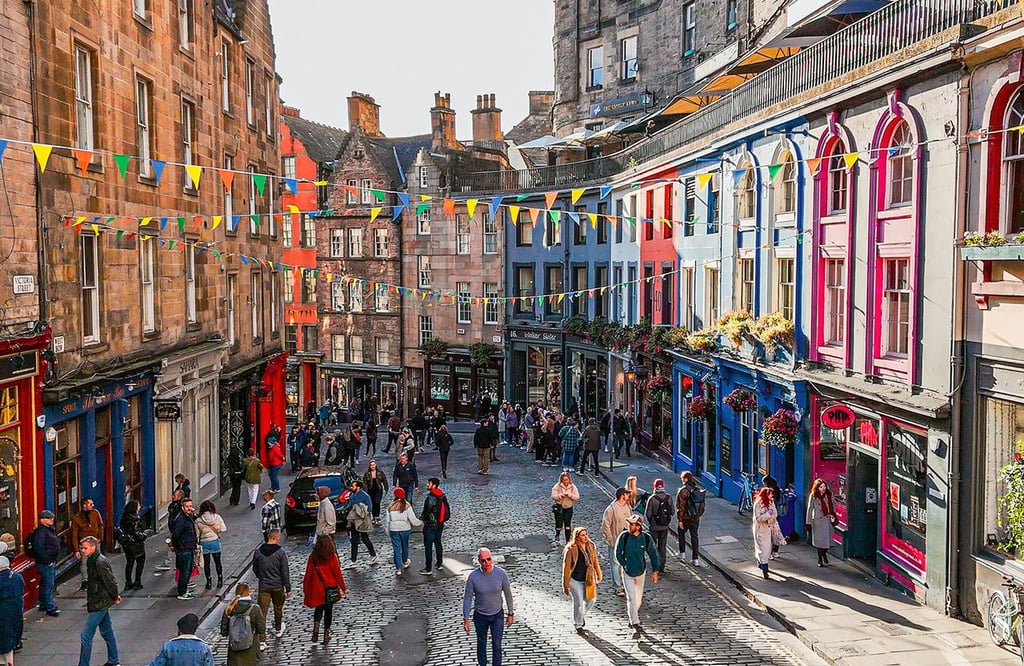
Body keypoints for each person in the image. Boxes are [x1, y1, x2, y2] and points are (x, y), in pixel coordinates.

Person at [462, 548, 514, 666]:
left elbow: (508, 594)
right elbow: (468, 597)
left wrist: (510, 613)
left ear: (492, 558)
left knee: (497, 644)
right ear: (479, 561)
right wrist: (466, 618)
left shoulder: (501, 574)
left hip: (497, 615)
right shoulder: (473, 577)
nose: (487, 563)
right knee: (481, 642)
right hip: (480, 616)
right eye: (483, 560)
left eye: (489, 559)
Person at [78, 536, 121, 666]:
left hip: (100, 601)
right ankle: (114, 660)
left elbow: (110, 580)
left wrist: (115, 596)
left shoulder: (99, 562)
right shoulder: (93, 559)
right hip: (100, 599)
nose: (83, 551)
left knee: (86, 635)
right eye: (82, 548)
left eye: (85, 548)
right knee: (107, 632)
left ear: (93, 546)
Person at [615, 514, 660, 638]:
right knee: (631, 597)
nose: (629, 526)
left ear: (638, 526)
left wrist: (655, 571)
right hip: (627, 572)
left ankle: (632, 616)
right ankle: (635, 622)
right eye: (629, 523)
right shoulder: (623, 537)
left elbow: (653, 554)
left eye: (632, 524)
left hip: (641, 572)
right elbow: (617, 553)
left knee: (638, 599)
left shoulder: (646, 538)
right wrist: (624, 565)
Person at [302, 535, 347, 646]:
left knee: (318, 608)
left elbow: (308, 574)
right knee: (328, 610)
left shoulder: (313, 557)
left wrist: (306, 588)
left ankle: (316, 626)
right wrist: (343, 587)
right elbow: (337, 574)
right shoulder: (332, 556)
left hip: (317, 588)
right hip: (329, 588)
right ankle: (327, 632)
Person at [562, 526, 602, 634]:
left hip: (588, 578)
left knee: (591, 600)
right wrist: (565, 584)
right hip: (575, 579)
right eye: (583, 535)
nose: (585, 537)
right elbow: (566, 567)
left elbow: (595, 561)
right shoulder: (571, 549)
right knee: (578, 602)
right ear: (577, 537)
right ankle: (578, 625)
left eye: (586, 534)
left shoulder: (591, 545)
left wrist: (598, 573)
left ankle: (581, 615)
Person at [253, 528, 290, 639]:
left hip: (264, 586)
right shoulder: (280, 553)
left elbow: (255, 569)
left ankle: (262, 639)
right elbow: (284, 571)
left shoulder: (258, 552)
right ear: (276, 537)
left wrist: (262, 577)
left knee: (262, 612)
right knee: (278, 608)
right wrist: (287, 588)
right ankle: (278, 628)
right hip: (277, 586)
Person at [219, 582, 266, 665]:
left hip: (234, 650)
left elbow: (224, 631)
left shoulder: (229, 608)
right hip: (251, 648)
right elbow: (261, 629)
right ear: (248, 592)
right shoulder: (255, 608)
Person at [146, 612, 214, 666]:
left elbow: (157, 664)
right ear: (195, 629)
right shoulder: (204, 648)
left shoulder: (169, 646)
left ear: (179, 630)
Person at [601, 487, 632, 598]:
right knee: (615, 564)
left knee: (626, 563)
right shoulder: (611, 509)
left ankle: (626, 585)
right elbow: (605, 525)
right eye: (627, 494)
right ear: (622, 495)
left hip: (627, 541)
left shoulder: (628, 507)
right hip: (615, 541)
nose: (629, 495)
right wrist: (611, 540)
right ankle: (617, 586)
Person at [28, 510, 61, 616]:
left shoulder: (47, 530)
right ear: (42, 520)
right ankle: (50, 607)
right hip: (46, 563)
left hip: (47, 561)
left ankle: (43, 604)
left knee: (44, 583)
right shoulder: (41, 532)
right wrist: (48, 561)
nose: (52, 520)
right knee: (49, 585)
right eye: (49, 518)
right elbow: (39, 548)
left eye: (52, 518)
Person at [385, 488, 422, 576]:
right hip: (405, 529)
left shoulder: (390, 506)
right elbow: (413, 519)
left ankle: (398, 569)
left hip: (394, 529)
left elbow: (387, 521)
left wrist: (388, 531)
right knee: (405, 546)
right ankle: (405, 561)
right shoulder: (407, 505)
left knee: (396, 549)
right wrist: (421, 523)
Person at [342, 480, 378, 568]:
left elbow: (369, 509)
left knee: (365, 538)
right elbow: (350, 508)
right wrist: (349, 522)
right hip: (354, 520)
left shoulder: (365, 496)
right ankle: (353, 560)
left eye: (353, 486)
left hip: (361, 521)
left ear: (358, 487)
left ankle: (373, 555)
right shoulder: (352, 495)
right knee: (354, 541)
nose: (351, 488)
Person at [419, 477, 451, 575]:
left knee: (428, 547)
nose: (427, 485)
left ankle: (428, 568)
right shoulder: (441, 494)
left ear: (433, 485)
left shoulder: (431, 498)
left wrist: (422, 519)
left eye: (429, 483)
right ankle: (439, 563)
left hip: (430, 525)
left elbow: (426, 511)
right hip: (440, 523)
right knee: (438, 543)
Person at [71, 497, 104, 588]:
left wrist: (100, 538)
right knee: (84, 562)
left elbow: (101, 525)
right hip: (84, 543)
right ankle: (85, 581)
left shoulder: (95, 513)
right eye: (90, 504)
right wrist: (76, 550)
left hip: (95, 541)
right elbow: (74, 535)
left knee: (98, 560)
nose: (93, 505)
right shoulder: (77, 518)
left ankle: (98, 578)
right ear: (84, 505)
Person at [170, 497, 199, 600]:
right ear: (182, 507)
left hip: (188, 548)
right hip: (184, 549)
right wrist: (179, 546)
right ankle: (182, 592)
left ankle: (184, 589)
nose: (189, 508)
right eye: (187, 506)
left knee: (188, 570)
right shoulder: (181, 519)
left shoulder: (187, 517)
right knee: (185, 571)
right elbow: (176, 534)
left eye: (190, 506)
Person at [675, 471, 705, 566]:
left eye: (682, 478)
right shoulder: (697, 490)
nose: (682, 480)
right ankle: (695, 559)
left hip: (685, 517)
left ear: (686, 479)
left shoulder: (683, 491)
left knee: (681, 534)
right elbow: (703, 506)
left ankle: (682, 553)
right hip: (695, 518)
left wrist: (680, 519)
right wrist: (698, 516)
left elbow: (681, 506)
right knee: (694, 537)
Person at [118, 499, 149, 590]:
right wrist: (143, 536)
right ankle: (137, 581)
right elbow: (137, 533)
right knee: (140, 562)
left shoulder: (124, 517)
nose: (139, 507)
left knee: (129, 563)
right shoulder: (136, 519)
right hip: (137, 545)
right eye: (138, 506)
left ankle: (128, 582)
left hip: (127, 544)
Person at [644, 479, 673, 573]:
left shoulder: (652, 499)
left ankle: (655, 564)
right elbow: (672, 511)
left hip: (654, 527)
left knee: (652, 546)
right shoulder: (668, 498)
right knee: (662, 546)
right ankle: (662, 565)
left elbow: (648, 514)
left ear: (655, 487)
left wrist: (652, 522)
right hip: (665, 527)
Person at [0, 552, 24, 666]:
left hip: (3, 610)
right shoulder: (17, 576)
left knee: (4, 635)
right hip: (16, 609)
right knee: (13, 631)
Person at [197, 500, 227, 590]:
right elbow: (223, 528)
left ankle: (209, 582)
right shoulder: (217, 517)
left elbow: (197, 534)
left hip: (204, 542)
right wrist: (217, 531)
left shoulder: (199, 520)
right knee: (217, 562)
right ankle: (220, 580)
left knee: (207, 563)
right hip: (214, 541)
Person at [807, 478, 836, 567]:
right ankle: (820, 560)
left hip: (827, 520)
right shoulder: (813, 496)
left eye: (824, 486)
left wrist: (833, 515)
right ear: (817, 488)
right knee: (820, 543)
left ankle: (824, 554)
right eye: (821, 487)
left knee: (828, 543)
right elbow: (810, 509)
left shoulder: (829, 495)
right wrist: (808, 522)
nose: (823, 488)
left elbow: (833, 505)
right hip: (818, 521)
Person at [753, 487, 780, 579]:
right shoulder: (757, 504)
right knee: (763, 550)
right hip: (760, 530)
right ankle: (765, 570)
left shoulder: (771, 502)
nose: (772, 496)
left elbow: (775, 514)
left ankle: (762, 564)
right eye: (770, 494)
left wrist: (771, 516)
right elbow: (758, 518)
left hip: (769, 530)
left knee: (767, 550)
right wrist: (768, 514)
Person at [551, 472, 581, 545]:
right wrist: (560, 495)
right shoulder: (557, 486)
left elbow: (577, 497)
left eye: (566, 480)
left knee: (568, 524)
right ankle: (557, 534)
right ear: (561, 480)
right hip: (559, 507)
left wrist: (570, 495)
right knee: (559, 524)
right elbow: (553, 496)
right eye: (564, 480)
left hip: (568, 508)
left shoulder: (573, 487)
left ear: (569, 479)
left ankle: (567, 540)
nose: (565, 481)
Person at [363, 460, 389, 526]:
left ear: (376, 465)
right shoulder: (367, 474)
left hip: (378, 490)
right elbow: (365, 484)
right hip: (370, 490)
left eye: (373, 465)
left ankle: (377, 516)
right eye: (371, 465)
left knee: (377, 502)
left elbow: (384, 481)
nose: (372, 466)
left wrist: (386, 488)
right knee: (372, 503)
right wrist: (365, 491)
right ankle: (374, 517)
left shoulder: (380, 473)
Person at [265, 425, 285, 493]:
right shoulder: (273, 447)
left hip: (275, 464)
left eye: (269, 443)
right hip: (273, 463)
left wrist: (282, 459)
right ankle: (273, 487)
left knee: (274, 476)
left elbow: (279, 455)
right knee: (272, 475)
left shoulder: (275, 448)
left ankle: (277, 487)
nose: (268, 444)